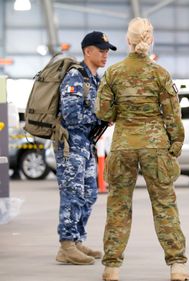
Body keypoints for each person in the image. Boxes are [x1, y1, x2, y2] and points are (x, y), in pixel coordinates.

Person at [96, 17, 189, 281]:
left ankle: (112, 267)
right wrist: (176, 144)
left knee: (118, 206)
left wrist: (120, 113)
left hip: (123, 145)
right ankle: (177, 265)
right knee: (164, 205)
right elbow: (173, 115)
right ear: (150, 40)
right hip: (155, 146)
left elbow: (103, 112)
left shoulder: (113, 73)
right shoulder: (160, 74)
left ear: (128, 40)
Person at [55, 31, 116, 265]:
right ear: (87, 51)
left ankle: (78, 239)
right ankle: (66, 245)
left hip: (86, 145)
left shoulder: (95, 79)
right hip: (71, 144)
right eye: (101, 50)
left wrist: (104, 117)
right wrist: (99, 116)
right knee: (72, 194)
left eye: (107, 51)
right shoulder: (75, 76)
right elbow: (71, 115)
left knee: (89, 194)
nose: (105, 54)